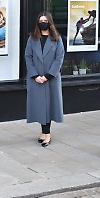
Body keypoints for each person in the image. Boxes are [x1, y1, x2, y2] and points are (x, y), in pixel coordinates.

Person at [25, 11, 65, 147]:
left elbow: (59, 58)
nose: (43, 23)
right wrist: (35, 75)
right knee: (40, 107)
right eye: (40, 20)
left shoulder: (57, 38)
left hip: (51, 78)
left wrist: (48, 76)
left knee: (49, 107)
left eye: (45, 20)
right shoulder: (32, 38)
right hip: (36, 79)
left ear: (50, 22)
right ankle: (43, 131)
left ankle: (47, 134)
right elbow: (28, 57)